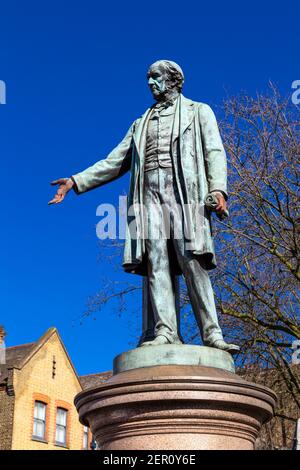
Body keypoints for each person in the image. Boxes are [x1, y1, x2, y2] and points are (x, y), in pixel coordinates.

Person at [49, 60, 239, 354]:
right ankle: (165, 330)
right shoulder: (141, 123)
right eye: (148, 78)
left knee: (192, 262)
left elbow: (214, 150)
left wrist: (218, 189)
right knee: (157, 264)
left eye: (155, 77)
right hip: (147, 195)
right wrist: (76, 181)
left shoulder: (198, 111)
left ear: (173, 80)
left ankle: (212, 334)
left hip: (184, 193)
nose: (150, 83)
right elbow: (114, 162)